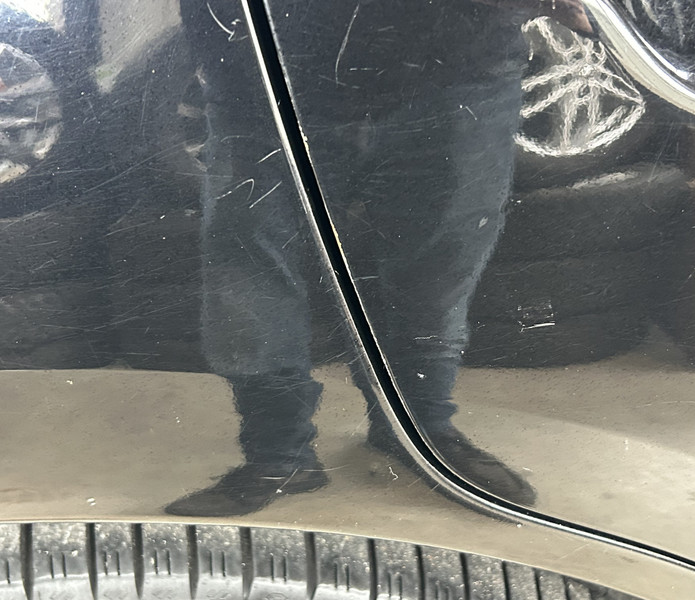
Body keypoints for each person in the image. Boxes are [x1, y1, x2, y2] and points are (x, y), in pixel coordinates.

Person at [166, 0, 591, 517]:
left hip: (458, 64)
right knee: (251, 270)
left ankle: (417, 431)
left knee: (438, 266)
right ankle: (277, 453)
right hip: (266, 70)